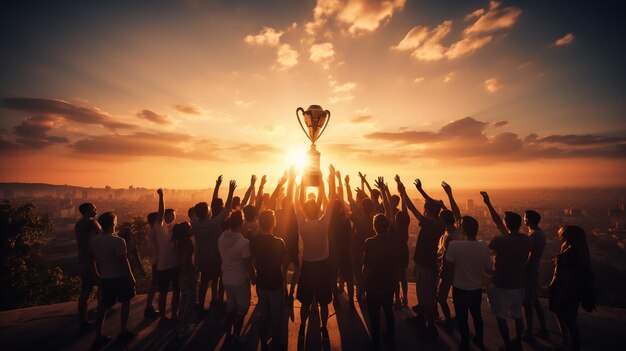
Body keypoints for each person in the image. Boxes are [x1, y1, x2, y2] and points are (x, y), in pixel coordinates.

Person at [482, 191, 532, 351]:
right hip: (519, 284)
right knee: (518, 316)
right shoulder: (526, 240)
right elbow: (500, 224)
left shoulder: (500, 241)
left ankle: (507, 344)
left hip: (502, 284)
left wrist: (488, 204)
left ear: (507, 224)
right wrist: (489, 204)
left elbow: (496, 230)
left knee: (501, 317)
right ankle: (517, 341)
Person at [397, 177, 445, 340]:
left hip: (426, 266)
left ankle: (431, 328)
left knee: (427, 299)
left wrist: (403, 192)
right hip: (424, 264)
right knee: (422, 295)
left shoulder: (431, 224)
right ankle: (421, 319)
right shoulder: (439, 222)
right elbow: (434, 204)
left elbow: (411, 208)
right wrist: (421, 190)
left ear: (427, 210)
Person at [294, 165, 336, 342]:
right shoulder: (323, 223)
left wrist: (299, 183)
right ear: (317, 210)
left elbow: (296, 203)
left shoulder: (302, 224)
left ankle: (302, 325)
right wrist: (331, 178)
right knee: (324, 301)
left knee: (305, 301)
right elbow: (331, 200)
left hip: (308, 265)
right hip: (323, 265)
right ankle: (324, 328)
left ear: (305, 210)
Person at [88, 212, 136, 347]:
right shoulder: (119, 241)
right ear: (113, 223)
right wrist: (131, 278)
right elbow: (123, 261)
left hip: (105, 278)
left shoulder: (94, 240)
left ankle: (98, 337)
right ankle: (123, 331)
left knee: (102, 308)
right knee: (125, 303)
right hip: (120, 277)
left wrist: (95, 274)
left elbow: (90, 259)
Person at [445, 216, 492, 351]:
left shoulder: (454, 245)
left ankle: (465, 342)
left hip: (459, 288)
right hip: (476, 289)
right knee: (477, 315)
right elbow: (488, 269)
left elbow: (448, 267)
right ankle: (480, 340)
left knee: (462, 318)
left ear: (463, 230)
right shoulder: (483, 246)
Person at [362, 177, 398, 349]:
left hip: (373, 283)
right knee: (388, 311)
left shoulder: (370, 242)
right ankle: (390, 339)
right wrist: (384, 190)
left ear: (374, 227)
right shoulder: (391, 239)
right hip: (389, 281)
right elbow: (390, 214)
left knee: (374, 314)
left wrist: (362, 282)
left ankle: (375, 340)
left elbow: (367, 266)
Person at [193, 176, 235, 316]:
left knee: (204, 282)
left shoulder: (195, 224)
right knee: (219, 279)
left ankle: (200, 307)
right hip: (216, 257)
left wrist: (217, 186)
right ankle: (217, 300)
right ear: (207, 211)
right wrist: (230, 190)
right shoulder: (213, 223)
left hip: (203, 258)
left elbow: (215, 205)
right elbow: (227, 207)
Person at [549, 225, 596, 351]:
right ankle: (569, 343)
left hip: (565, 291)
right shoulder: (578, 251)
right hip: (572, 291)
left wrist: (554, 288)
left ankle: (572, 345)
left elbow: (564, 275)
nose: (560, 237)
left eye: (562, 235)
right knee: (570, 320)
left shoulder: (571, 253)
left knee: (569, 321)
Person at [218, 206, 256, 344]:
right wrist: (253, 277)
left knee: (230, 308)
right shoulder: (244, 243)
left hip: (226, 279)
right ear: (241, 223)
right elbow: (247, 265)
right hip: (240, 280)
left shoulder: (221, 238)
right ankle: (236, 336)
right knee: (241, 311)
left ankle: (228, 334)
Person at [251, 210, 286, 350]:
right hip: (275, 282)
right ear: (273, 223)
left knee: (263, 314)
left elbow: (252, 261)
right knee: (277, 316)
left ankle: (264, 343)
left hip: (261, 282)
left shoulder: (254, 241)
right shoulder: (279, 242)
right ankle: (275, 344)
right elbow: (284, 263)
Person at [436, 181, 462, 326]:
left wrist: (441, 271)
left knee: (441, 298)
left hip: (448, 272)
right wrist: (449, 194)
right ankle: (456, 319)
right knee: (457, 298)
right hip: (458, 270)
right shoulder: (458, 231)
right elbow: (456, 214)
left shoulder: (449, 236)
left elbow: (447, 258)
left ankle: (448, 321)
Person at [345, 174, 374, 302]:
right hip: (369, 247)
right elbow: (369, 200)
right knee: (368, 270)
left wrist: (347, 185)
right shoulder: (374, 218)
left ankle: (360, 291)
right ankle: (365, 291)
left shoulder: (357, 218)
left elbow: (350, 200)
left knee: (357, 271)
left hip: (356, 246)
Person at [154, 188, 180, 323]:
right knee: (163, 293)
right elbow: (160, 212)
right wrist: (161, 196)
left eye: (173, 215)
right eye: (169, 215)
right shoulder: (160, 227)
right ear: (165, 216)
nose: (172, 217)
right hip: (163, 266)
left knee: (176, 291)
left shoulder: (176, 229)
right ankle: (163, 317)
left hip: (175, 265)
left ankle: (174, 315)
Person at [75, 202, 101, 333]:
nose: (96, 209)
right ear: (86, 210)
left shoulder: (78, 224)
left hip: (82, 261)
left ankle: (83, 321)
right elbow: (103, 237)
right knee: (98, 289)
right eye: (93, 207)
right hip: (93, 262)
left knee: (85, 292)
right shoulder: (92, 223)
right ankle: (99, 320)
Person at [523, 209, 548, 341]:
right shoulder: (537, 233)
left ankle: (529, 331)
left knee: (527, 303)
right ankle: (542, 328)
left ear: (530, 220)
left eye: (525, 217)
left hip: (530, 272)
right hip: (533, 270)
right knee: (535, 301)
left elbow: (531, 257)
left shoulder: (534, 236)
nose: (524, 219)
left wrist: (523, 270)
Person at [172, 222, 196, 339]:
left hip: (181, 274)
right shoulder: (188, 242)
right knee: (190, 300)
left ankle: (181, 324)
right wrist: (188, 274)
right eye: (190, 227)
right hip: (187, 274)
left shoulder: (178, 242)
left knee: (184, 299)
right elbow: (185, 259)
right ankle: (183, 328)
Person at [329, 197, 354, 307]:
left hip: (333, 253)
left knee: (333, 278)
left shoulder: (329, 222)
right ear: (340, 208)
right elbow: (350, 236)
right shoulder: (345, 221)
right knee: (349, 279)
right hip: (345, 252)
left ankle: (336, 300)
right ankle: (352, 302)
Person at [144, 212, 160, 318]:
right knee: (155, 284)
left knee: (155, 284)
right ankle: (149, 307)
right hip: (158, 260)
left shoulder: (150, 230)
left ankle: (149, 307)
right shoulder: (154, 230)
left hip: (156, 260)